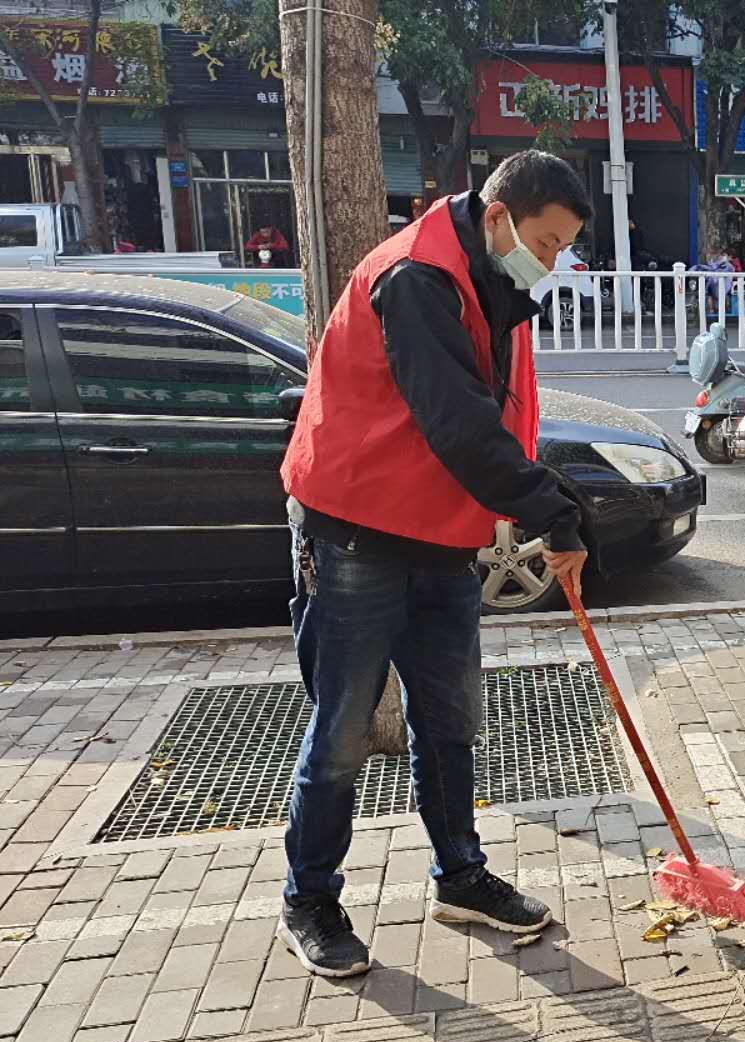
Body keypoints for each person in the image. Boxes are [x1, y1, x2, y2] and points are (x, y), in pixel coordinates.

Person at [277, 150, 593, 977]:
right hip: (356, 534)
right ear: (499, 217)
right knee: (342, 733)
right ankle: (309, 900)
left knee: (450, 723)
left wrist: (539, 499)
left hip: (440, 538)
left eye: (564, 249)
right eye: (547, 242)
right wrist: (553, 510)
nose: (551, 261)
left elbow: (503, 414)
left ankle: (460, 876)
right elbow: (458, 424)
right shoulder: (417, 277)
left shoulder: (492, 281)